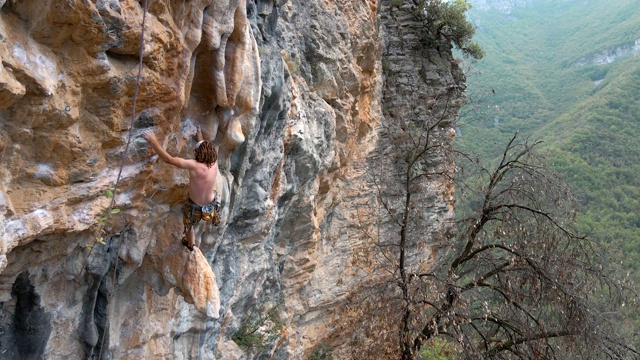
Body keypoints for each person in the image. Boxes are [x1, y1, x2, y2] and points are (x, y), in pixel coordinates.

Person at [142, 127, 219, 251]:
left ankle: (190, 244)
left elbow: (168, 159)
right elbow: (204, 146)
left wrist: (153, 140)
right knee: (201, 216)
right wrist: (199, 136)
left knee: (189, 226)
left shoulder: (193, 165)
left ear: (199, 154)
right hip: (212, 204)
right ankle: (214, 217)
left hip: (195, 206)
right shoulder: (214, 162)